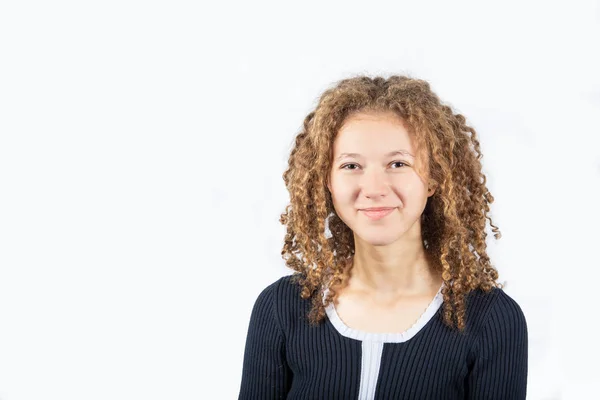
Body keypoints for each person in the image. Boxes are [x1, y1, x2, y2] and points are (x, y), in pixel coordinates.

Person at [238, 75, 528, 399]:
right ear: (327, 180)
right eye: (351, 166)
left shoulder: (490, 319)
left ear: (432, 178)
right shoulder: (282, 309)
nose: (374, 189)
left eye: (398, 163)